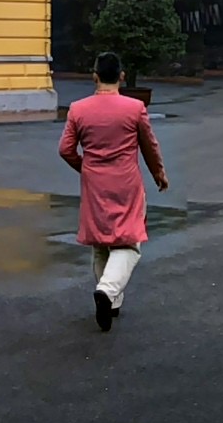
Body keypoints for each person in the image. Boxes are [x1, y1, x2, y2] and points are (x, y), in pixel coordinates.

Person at [59, 56, 159, 331]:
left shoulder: (78, 109)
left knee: (101, 241)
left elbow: (65, 149)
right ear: (122, 76)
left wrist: (86, 168)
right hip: (126, 181)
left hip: (94, 183)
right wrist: (159, 174)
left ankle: (112, 302)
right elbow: (149, 145)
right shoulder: (135, 108)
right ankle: (107, 290)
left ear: (94, 76)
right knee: (129, 241)